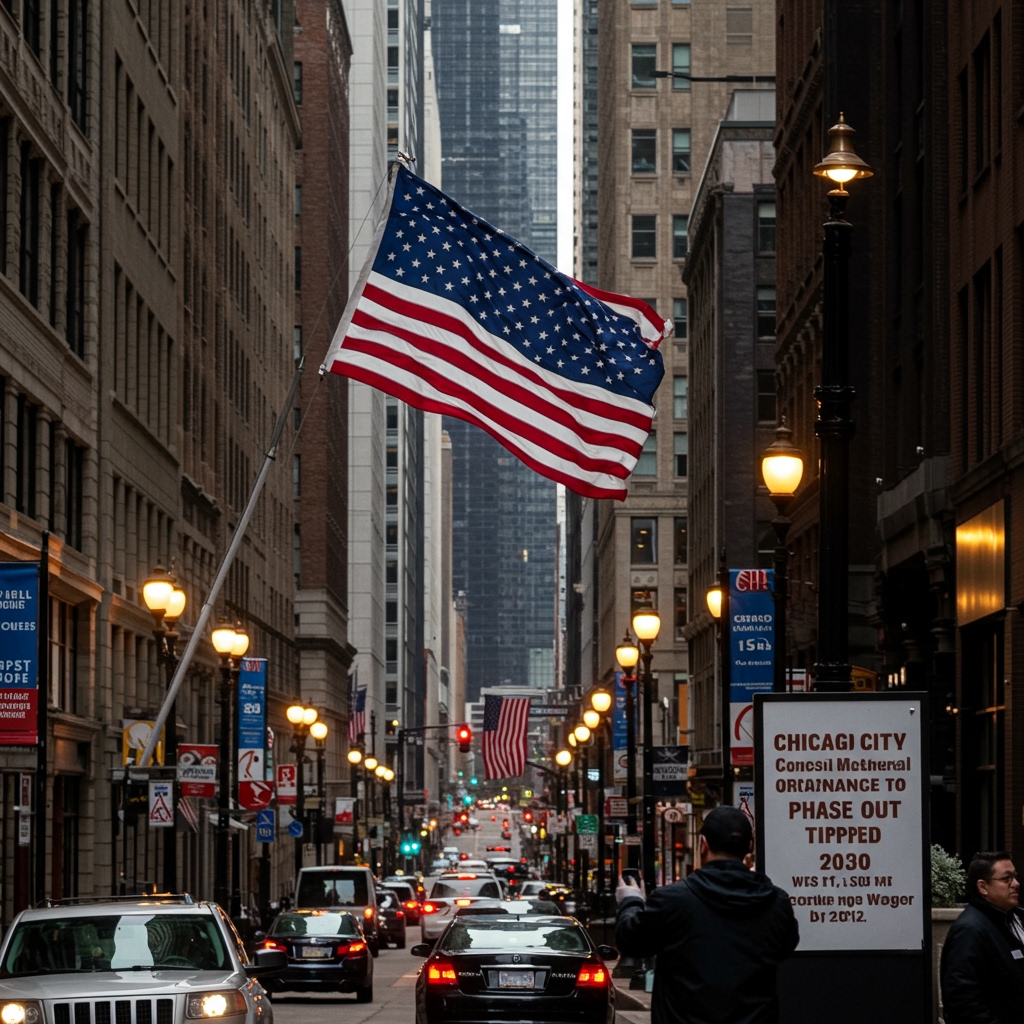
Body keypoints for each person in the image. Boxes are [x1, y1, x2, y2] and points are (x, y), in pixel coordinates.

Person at [615, 806, 798, 1024]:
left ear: (703, 844)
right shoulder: (776, 903)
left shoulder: (672, 900)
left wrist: (631, 899)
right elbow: (785, 947)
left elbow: (631, 941)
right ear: (749, 846)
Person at [940, 850, 1024, 1024]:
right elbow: (963, 1004)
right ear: (983, 887)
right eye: (1006, 879)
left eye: (1015, 877)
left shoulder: (1018, 917)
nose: (1016, 883)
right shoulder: (969, 930)